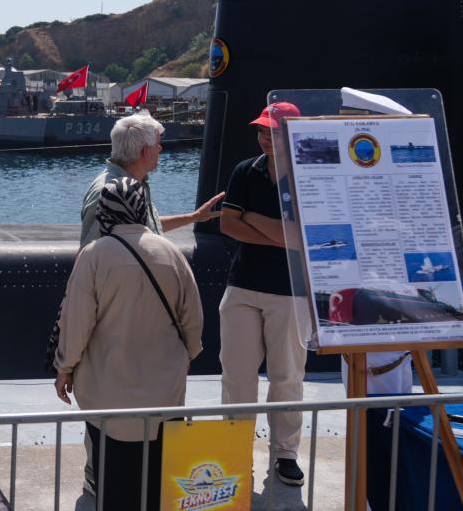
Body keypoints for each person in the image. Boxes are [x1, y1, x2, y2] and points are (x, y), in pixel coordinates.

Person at [54, 177, 204, 511]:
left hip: (109, 397)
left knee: (115, 487)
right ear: (142, 209)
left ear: (104, 211)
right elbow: (193, 320)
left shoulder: (93, 256)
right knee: (158, 486)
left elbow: (77, 323)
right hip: (164, 395)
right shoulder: (171, 253)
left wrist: (65, 367)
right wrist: (184, 359)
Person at [218, 101, 308, 487]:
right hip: (242, 286)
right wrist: (279, 235)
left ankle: (285, 453)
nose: (264, 138)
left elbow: (302, 237)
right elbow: (228, 225)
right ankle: (235, 449)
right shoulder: (246, 171)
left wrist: (251, 217)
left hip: (290, 292)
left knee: (287, 377)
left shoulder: (308, 176)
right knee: (237, 376)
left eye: (272, 132)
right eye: (261, 131)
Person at [79, 111, 224, 247]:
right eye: (157, 144)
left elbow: (145, 226)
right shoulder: (107, 193)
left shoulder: (132, 183)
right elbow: (90, 252)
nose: (160, 148)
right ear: (145, 152)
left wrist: (194, 217)